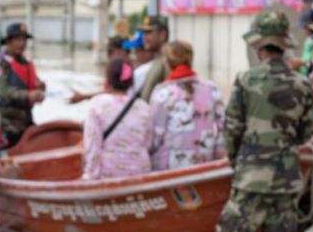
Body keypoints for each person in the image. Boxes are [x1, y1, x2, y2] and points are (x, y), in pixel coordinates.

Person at [204, 11, 313, 232]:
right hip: (286, 180)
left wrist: (236, 162)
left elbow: (232, 129)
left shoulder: (246, 80)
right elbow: (306, 133)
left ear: (259, 46)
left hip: (250, 178)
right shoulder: (303, 84)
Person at [149, 40, 226, 171]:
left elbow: (154, 136)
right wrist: (218, 152)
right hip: (205, 162)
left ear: (167, 63)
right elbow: (224, 127)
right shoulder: (211, 89)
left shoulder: (163, 93)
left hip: (169, 167)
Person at [82, 58, 152, 180]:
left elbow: (92, 146)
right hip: (141, 172)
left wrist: (90, 176)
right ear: (131, 82)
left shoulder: (97, 105)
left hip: (110, 173)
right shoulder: (144, 107)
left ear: (107, 80)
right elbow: (148, 143)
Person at [0, 22, 46, 148]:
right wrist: (28, 95)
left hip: (26, 121)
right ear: (9, 41)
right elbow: (1, 89)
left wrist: (41, 88)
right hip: (6, 123)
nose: (22, 44)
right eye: (18, 39)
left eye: (24, 40)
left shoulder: (26, 63)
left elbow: (35, 85)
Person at [68, 35, 129, 104]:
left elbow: (115, 92)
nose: (108, 53)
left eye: (110, 50)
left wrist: (84, 97)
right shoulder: (121, 67)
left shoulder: (122, 68)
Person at [138, 15, 170, 102]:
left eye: (149, 32)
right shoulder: (155, 61)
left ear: (162, 35)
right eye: (144, 33)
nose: (144, 37)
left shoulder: (169, 62)